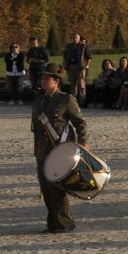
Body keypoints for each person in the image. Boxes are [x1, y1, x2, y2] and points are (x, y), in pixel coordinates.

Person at [31, 63, 89, 233]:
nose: (43, 81)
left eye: (47, 79)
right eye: (42, 78)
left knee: (57, 188)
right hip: (43, 150)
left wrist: (83, 141)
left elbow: (80, 123)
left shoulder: (66, 99)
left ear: (56, 81)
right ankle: (53, 223)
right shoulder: (39, 101)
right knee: (46, 188)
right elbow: (35, 129)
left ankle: (64, 222)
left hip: (60, 149)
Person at [62, 33, 91, 105]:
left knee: (81, 84)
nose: (75, 39)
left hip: (80, 67)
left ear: (79, 38)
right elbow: (65, 57)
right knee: (73, 84)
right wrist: (65, 65)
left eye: (76, 38)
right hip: (70, 66)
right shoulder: (69, 46)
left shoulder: (83, 46)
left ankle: (82, 100)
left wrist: (86, 65)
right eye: (73, 37)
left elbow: (89, 57)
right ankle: (73, 100)